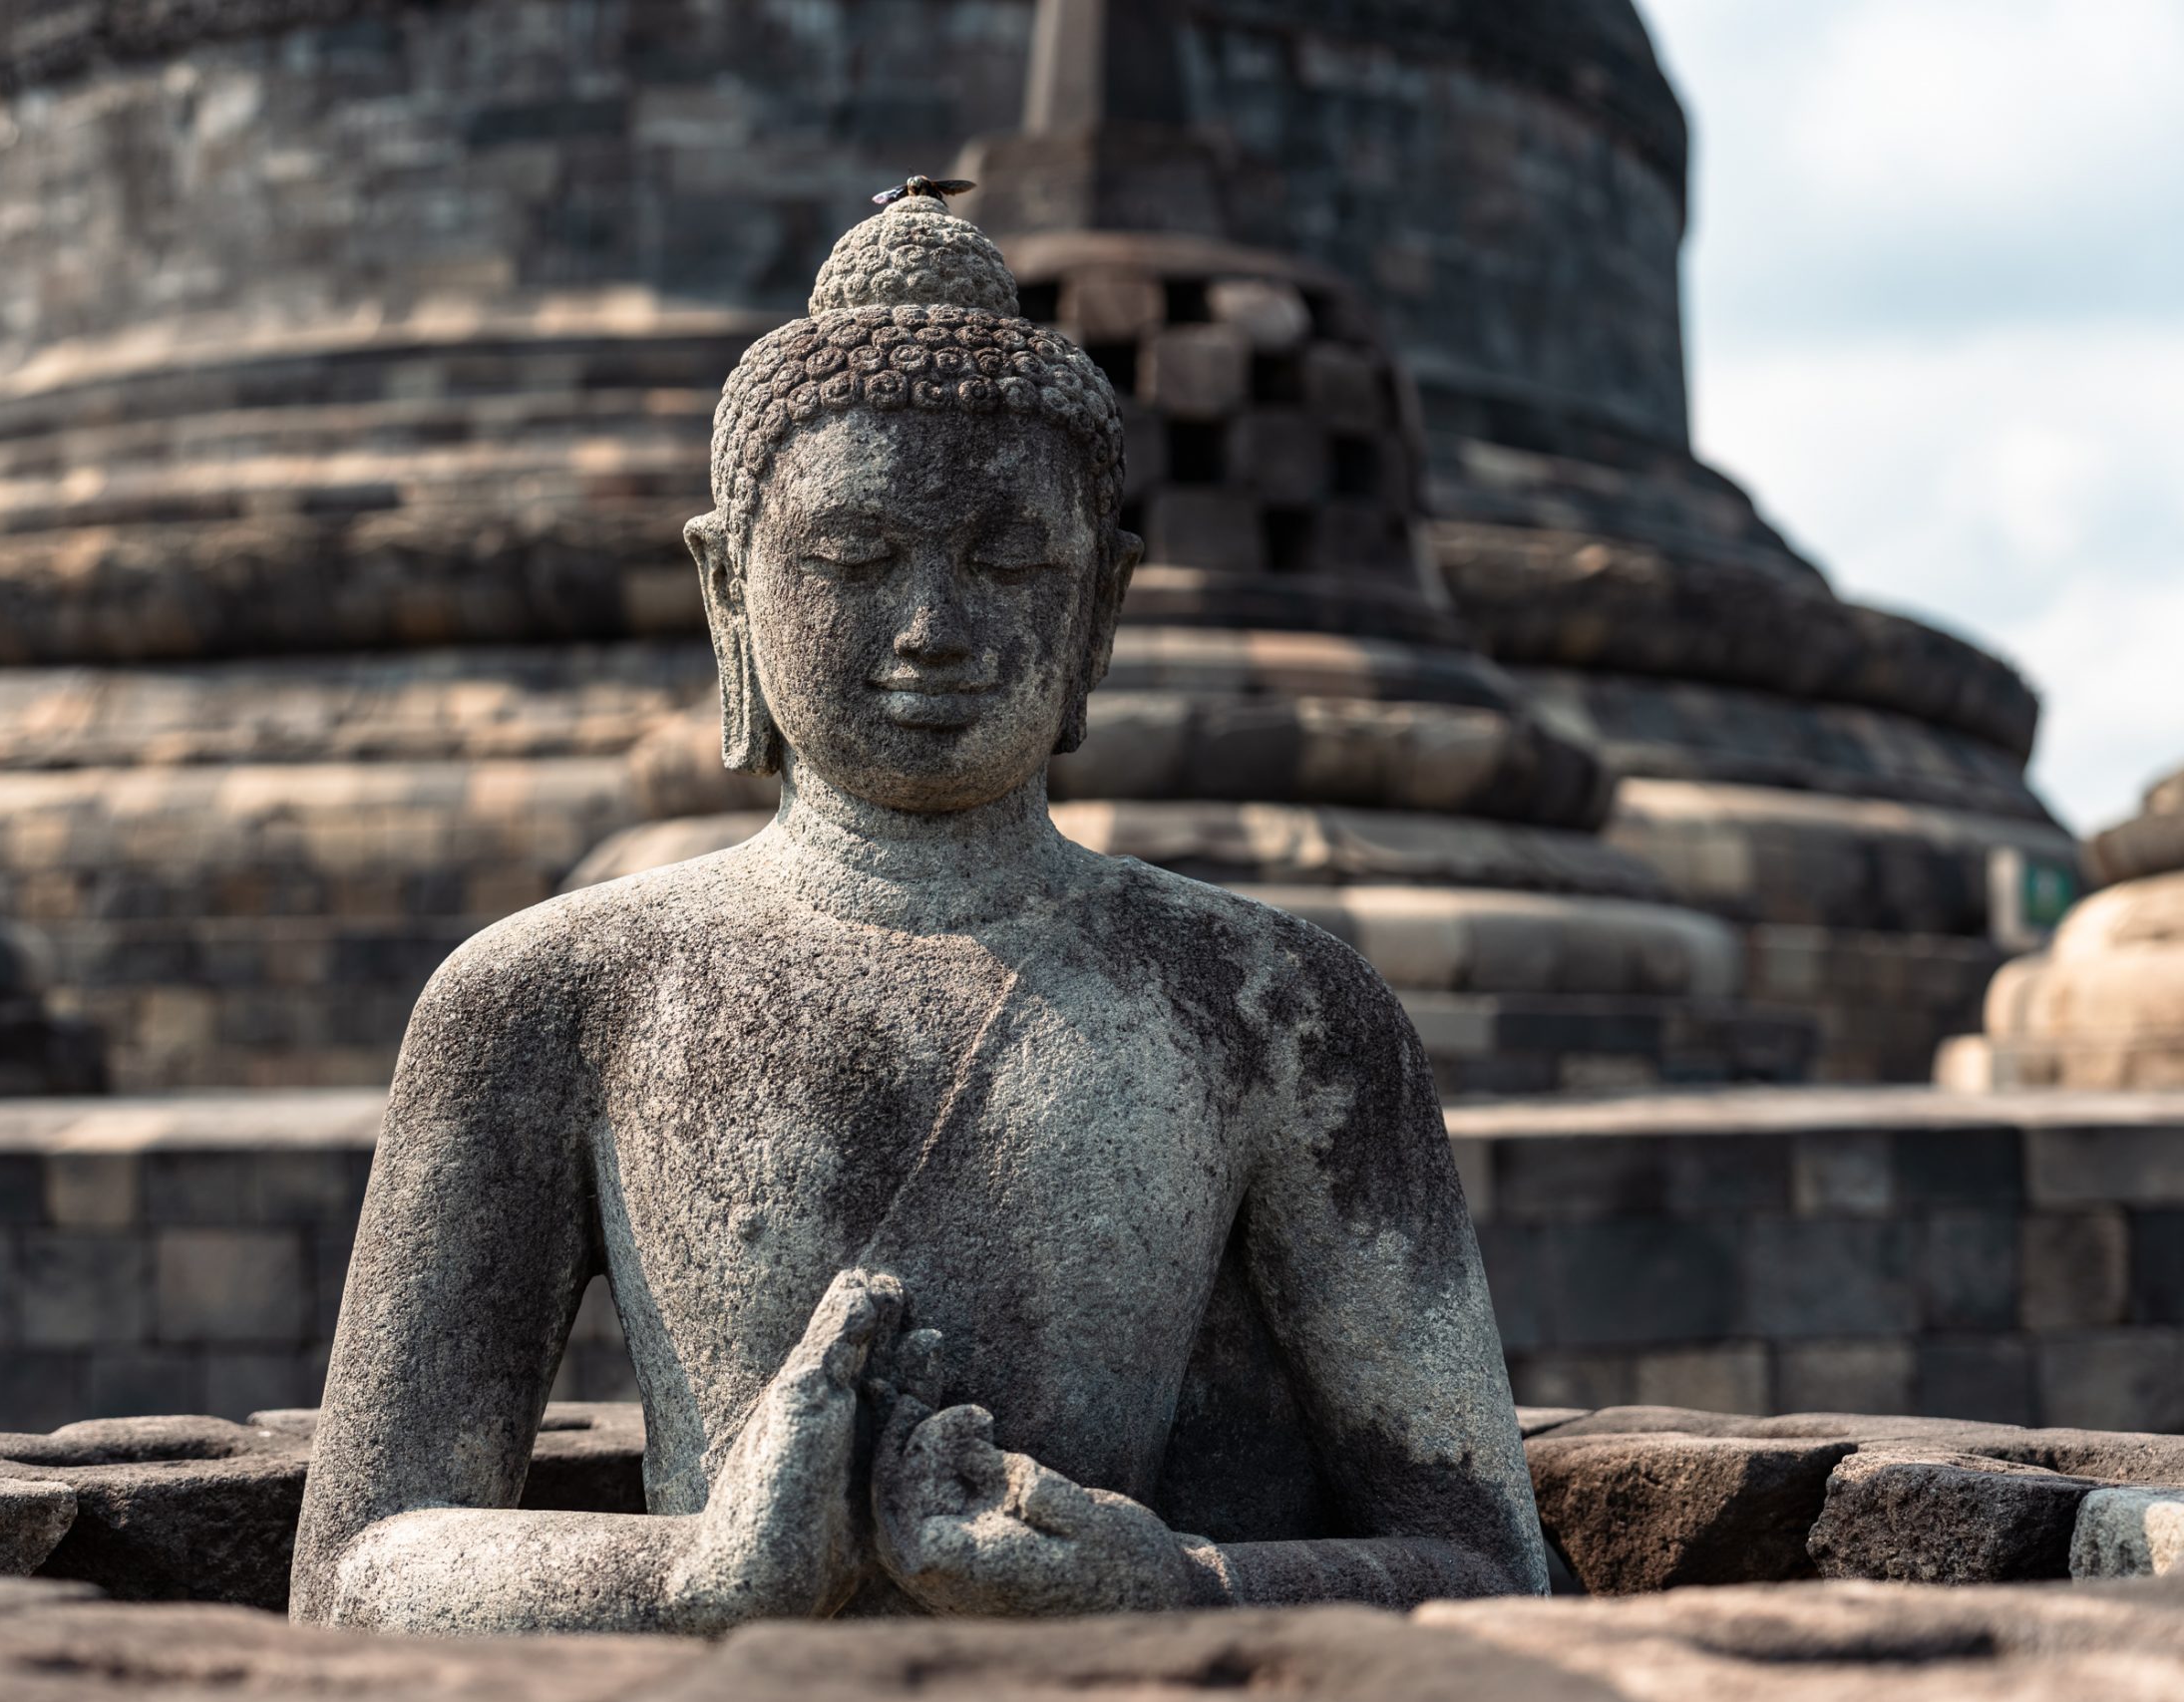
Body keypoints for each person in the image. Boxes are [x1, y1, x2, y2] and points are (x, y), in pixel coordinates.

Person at [290, 197, 1548, 1633]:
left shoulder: (1279, 1011)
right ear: (730, 591)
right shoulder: (550, 997)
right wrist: (699, 1576)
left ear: (1099, 610)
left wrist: (1182, 1587)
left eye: (1011, 565)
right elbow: (351, 1576)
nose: (934, 628)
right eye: (854, 559)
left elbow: (1489, 1567)